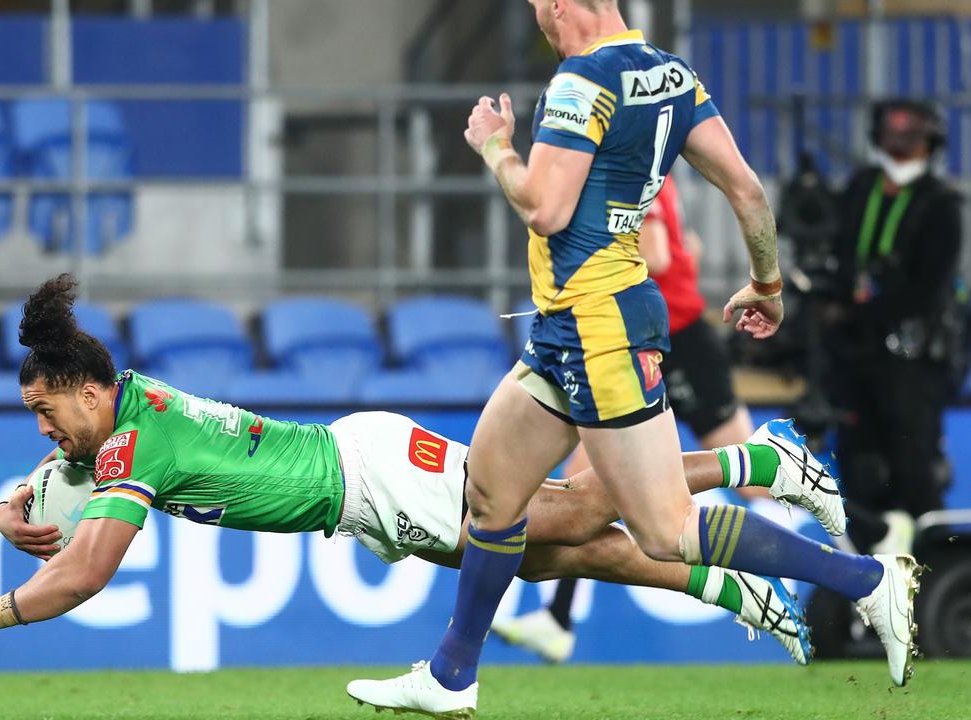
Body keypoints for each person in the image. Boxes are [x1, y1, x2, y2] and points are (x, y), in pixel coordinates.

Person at [345, 2, 919, 714]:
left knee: (665, 527)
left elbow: (544, 209)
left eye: (538, 10)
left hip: (599, 328)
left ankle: (865, 581)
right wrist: (767, 283)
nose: (539, 24)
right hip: (569, 328)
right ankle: (451, 674)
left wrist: (496, 145)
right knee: (491, 497)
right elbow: (746, 189)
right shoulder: (672, 74)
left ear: (562, 5)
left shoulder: (580, 82)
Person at [0, 274, 838, 665]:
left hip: (377, 480)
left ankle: (762, 458)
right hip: (366, 471)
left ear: (82, 389)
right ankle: (736, 592)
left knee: (578, 515)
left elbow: (84, 572)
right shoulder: (126, 404)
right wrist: (6, 507)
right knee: (563, 554)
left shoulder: (134, 445)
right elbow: (57, 476)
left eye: (43, 410)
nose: (42, 429)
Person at [492, 174, 775, 663]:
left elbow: (661, 254)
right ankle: (557, 619)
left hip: (678, 341)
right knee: (580, 481)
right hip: (637, 340)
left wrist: (588, 261)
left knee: (755, 480)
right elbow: (691, 247)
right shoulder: (642, 170)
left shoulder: (630, 176)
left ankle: (859, 532)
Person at [824, 100, 963, 556]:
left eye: (912, 136)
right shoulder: (860, 187)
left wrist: (863, 312)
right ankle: (867, 577)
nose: (900, 145)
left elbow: (928, 288)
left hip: (911, 362)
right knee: (858, 469)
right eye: (892, 134)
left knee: (913, 470)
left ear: (931, 143)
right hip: (854, 358)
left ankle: (936, 575)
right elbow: (839, 256)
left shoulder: (941, 205)